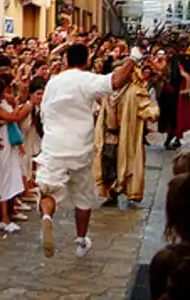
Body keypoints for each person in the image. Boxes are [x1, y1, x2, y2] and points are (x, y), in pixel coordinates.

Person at [36, 43, 134, 258]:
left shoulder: (53, 83)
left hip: (54, 146)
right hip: (80, 147)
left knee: (48, 190)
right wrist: (133, 60)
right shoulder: (86, 79)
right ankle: (81, 240)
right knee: (82, 197)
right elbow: (115, 81)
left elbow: (43, 113)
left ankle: (46, 218)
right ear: (86, 60)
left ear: (66, 60)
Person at [93, 59, 159, 205]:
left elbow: (147, 105)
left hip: (125, 135)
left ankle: (121, 190)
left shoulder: (135, 92)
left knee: (124, 164)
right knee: (107, 163)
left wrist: (152, 113)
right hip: (108, 134)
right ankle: (111, 193)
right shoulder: (107, 92)